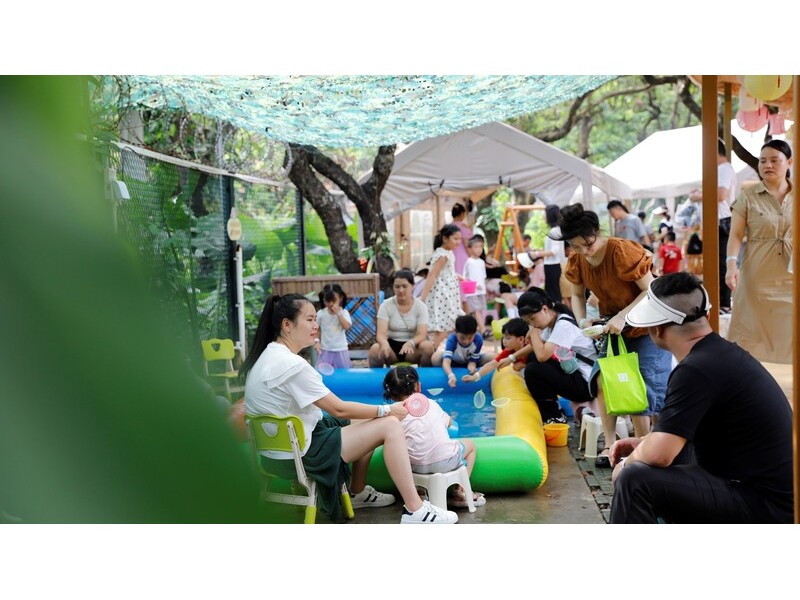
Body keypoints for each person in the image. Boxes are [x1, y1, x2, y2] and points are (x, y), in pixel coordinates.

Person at [242, 293, 458, 524]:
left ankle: (357, 491)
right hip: (301, 456)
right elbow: (340, 410)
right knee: (390, 425)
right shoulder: (291, 365)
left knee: (370, 420)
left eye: (315, 319)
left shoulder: (266, 358)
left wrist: (380, 413)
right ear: (287, 325)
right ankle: (415, 509)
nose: (316, 326)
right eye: (309, 319)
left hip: (276, 456)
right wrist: (388, 411)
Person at [609, 273, 793, 523]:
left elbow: (660, 455)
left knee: (634, 479)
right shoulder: (718, 355)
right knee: (668, 454)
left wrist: (626, 463)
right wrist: (645, 443)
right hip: (767, 496)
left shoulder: (696, 369)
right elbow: (672, 441)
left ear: (657, 328)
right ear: (705, 315)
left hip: (764, 506)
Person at [558, 203, 673, 468]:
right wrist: (582, 320)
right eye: (575, 246)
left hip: (646, 326)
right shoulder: (578, 259)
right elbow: (577, 295)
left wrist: (623, 316)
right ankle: (610, 445)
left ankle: (642, 450)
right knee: (602, 380)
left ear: (597, 232)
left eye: (588, 244)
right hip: (611, 328)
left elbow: (650, 290)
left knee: (639, 390)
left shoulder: (621, 251)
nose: (584, 251)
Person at [725, 139, 793, 364]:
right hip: (758, 273)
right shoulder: (748, 196)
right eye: (763, 161)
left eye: (774, 160)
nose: (767, 165)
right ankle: (754, 375)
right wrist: (731, 265)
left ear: (789, 162)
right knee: (753, 329)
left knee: (791, 326)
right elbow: (736, 235)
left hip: (792, 274)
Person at [383, 367, 486, 508]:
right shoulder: (431, 404)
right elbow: (449, 423)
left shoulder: (391, 414)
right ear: (418, 386)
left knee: (410, 450)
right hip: (446, 461)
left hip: (414, 467)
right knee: (470, 445)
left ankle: (420, 492)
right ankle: (461, 491)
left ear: (391, 394)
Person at [517, 288, 598, 424]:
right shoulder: (553, 322)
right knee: (532, 359)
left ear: (545, 309)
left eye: (532, 319)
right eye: (528, 322)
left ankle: (553, 416)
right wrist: (511, 358)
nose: (532, 324)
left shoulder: (563, 325)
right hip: (578, 376)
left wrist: (533, 331)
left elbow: (542, 355)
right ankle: (555, 411)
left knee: (533, 370)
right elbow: (536, 347)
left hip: (588, 384)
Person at [691, 138, 736, 313]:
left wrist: (698, 196)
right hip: (717, 222)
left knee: (721, 263)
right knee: (716, 263)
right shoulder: (722, 169)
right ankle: (720, 302)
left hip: (722, 222)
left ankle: (724, 303)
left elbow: (721, 195)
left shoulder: (724, 169)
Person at [369, 269, 435, 367]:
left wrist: (410, 343)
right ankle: (376, 376)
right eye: (397, 287)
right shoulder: (386, 305)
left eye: (404, 286)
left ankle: (425, 376)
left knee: (428, 347)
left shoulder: (421, 306)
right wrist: (384, 344)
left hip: (412, 348)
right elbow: (381, 335)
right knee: (375, 349)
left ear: (413, 286)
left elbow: (422, 334)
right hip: (391, 348)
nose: (401, 290)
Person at [419, 224, 464, 349]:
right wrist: (423, 297)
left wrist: (457, 276)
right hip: (443, 295)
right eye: (455, 238)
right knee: (444, 327)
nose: (458, 242)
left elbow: (445, 272)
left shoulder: (447, 253)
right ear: (445, 238)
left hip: (449, 293)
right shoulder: (443, 255)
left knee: (452, 324)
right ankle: (431, 351)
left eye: (459, 239)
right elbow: (432, 275)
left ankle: (450, 350)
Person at [432, 315, 494, 387]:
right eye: (462, 338)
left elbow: (473, 361)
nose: (466, 341)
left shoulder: (478, 339)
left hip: (469, 361)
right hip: (454, 362)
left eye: (470, 338)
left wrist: (472, 367)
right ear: (455, 331)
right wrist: (451, 375)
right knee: (435, 357)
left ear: (475, 333)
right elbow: (446, 362)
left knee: (493, 357)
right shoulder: (452, 339)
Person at [462, 317, 529, 382]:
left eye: (508, 338)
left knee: (517, 367)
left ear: (521, 339)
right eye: (503, 337)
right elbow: (492, 364)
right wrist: (475, 377)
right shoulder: (510, 350)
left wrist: (523, 365)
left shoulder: (530, 349)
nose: (504, 341)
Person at [314, 283, 352, 369]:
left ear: (340, 298)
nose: (331, 304)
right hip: (325, 350)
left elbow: (346, 327)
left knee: (343, 372)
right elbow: (316, 329)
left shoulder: (344, 312)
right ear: (324, 300)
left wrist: (338, 314)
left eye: (334, 301)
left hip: (341, 349)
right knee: (323, 372)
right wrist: (316, 342)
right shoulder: (321, 313)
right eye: (328, 301)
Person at [462, 234, 488, 332]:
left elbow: (483, 277)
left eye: (481, 247)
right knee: (476, 309)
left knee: (480, 309)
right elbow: (466, 277)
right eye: (476, 247)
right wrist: (475, 285)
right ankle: (483, 329)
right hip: (472, 291)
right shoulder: (469, 262)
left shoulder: (481, 262)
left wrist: (484, 288)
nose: (479, 249)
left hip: (481, 290)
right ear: (469, 248)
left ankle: (474, 328)